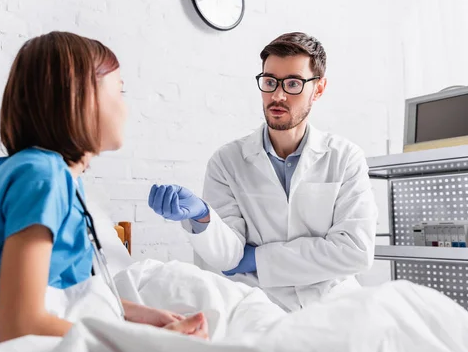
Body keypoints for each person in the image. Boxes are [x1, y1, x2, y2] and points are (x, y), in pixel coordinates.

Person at [0, 31, 208, 342]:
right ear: (83, 97)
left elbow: (63, 293)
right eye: (120, 92)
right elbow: (21, 324)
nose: (126, 108)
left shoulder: (50, 177)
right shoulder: (41, 177)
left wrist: (133, 314)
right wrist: (144, 343)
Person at [148, 32, 378, 312]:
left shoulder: (345, 158)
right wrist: (203, 218)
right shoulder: (226, 161)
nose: (277, 95)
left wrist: (257, 258)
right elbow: (228, 256)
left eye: (293, 83)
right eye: (270, 82)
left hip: (334, 305)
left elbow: (356, 252)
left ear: (318, 89)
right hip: (261, 305)